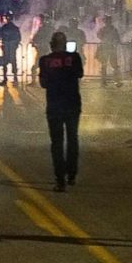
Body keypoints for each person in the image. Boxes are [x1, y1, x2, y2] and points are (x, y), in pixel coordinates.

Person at [38, 32, 83, 192]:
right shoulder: (75, 57)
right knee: (72, 138)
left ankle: (60, 179)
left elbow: (43, 83)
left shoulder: (45, 61)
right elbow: (80, 74)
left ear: (51, 44)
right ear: (65, 44)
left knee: (57, 142)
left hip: (55, 105)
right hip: (72, 103)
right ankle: (72, 174)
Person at [96, 16, 123, 88]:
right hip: (105, 48)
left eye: (109, 20)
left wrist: (114, 42)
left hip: (111, 48)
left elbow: (117, 38)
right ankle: (104, 82)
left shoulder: (113, 30)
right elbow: (99, 36)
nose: (108, 22)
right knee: (104, 65)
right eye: (107, 21)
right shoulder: (103, 29)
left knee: (114, 65)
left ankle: (116, 81)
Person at [0, 14, 22, 85]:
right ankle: (15, 79)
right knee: (13, 63)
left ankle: (5, 79)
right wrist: (15, 46)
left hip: (6, 48)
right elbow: (18, 38)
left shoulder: (4, 27)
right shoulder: (15, 28)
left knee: (4, 63)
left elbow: (0, 36)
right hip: (12, 48)